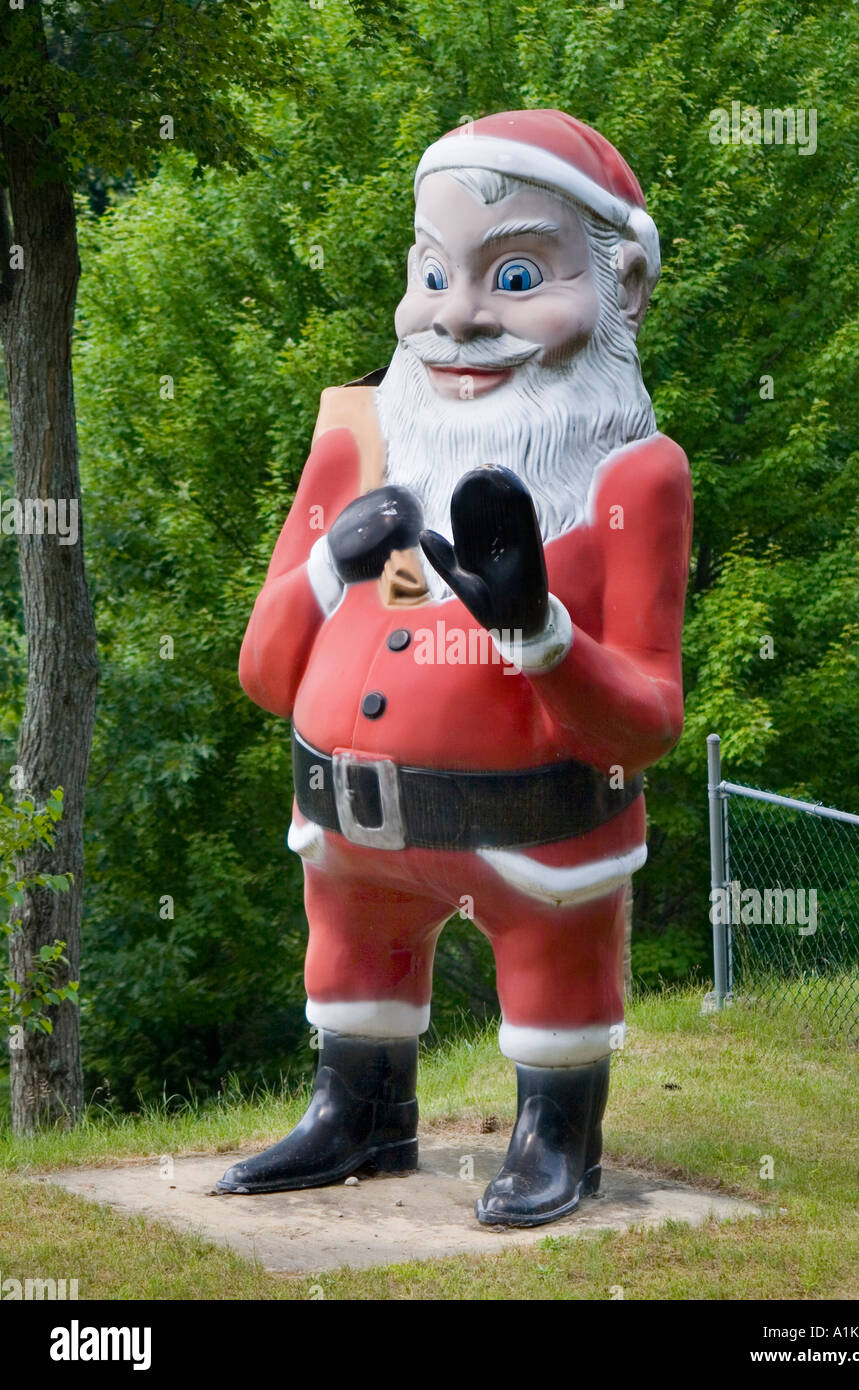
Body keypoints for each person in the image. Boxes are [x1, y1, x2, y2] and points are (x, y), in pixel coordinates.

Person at [218, 109, 692, 1227]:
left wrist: (538, 633)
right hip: (350, 833)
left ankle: (553, 1130)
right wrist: (333, 569)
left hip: (535, 834)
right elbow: (261, 667)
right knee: (353, 970)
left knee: (551, 978)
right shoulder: (356, 439)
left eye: (515, 273)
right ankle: (359, 1113)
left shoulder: (634, 477)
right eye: (432, 271)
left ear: (620, 286)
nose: (458, 317)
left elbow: (646, 719)